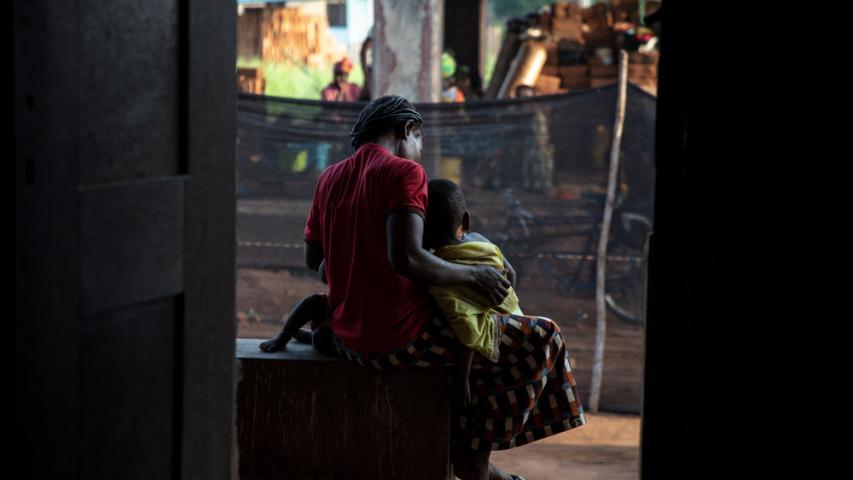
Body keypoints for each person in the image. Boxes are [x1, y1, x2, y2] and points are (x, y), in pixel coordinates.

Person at [304, 95, 585, 480]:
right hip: (399, 341)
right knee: (541, 337)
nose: (419, 155)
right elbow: (407, 259)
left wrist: (351, 260)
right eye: (420, 142)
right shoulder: (404, 173)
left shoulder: (329, 178)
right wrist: (476, 276)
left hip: (350, 341)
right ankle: (472, 458)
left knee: (478, 332)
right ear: (407, 131)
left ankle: (476, 459)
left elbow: (313, 262)